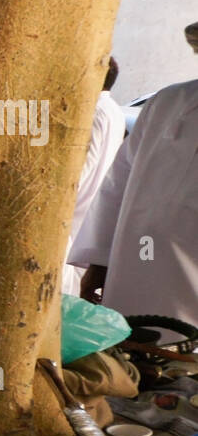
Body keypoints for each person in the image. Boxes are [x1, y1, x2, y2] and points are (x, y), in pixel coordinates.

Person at [70, 72, 198, 325]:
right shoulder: (169, 101)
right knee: (124, 352)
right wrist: (99, 262)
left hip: (189, 286)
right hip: (129, 269)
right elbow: (118, 184)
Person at [61, 57, 125, 295]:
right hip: (84, 223)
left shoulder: (95, 112)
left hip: (74, 223)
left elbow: (82, 173)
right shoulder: (112, 110)